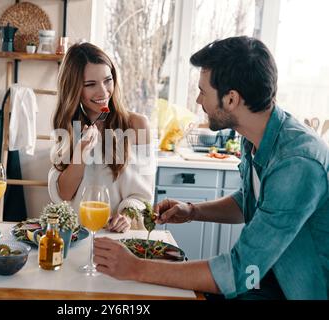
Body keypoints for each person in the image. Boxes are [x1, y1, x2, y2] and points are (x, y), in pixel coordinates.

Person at [94, 36, 329, 300]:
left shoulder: (296, 164)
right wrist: (192, 211)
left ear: (231, 100)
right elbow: (249, 202)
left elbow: (238, 271)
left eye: (203, 91)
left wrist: (136, 268)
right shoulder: (255, 135)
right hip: (263, 279)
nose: (197, 100)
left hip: (294, 290)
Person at [48, 42, 156, 233]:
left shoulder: (138, 125)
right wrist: (80, 152)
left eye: (108, 80)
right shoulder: (69, 129)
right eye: (90, 84)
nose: (103, 91)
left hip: (119, 237)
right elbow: (64, 194)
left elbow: (143, 194)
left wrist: (127, 218)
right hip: (78, 237)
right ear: (74, 90)